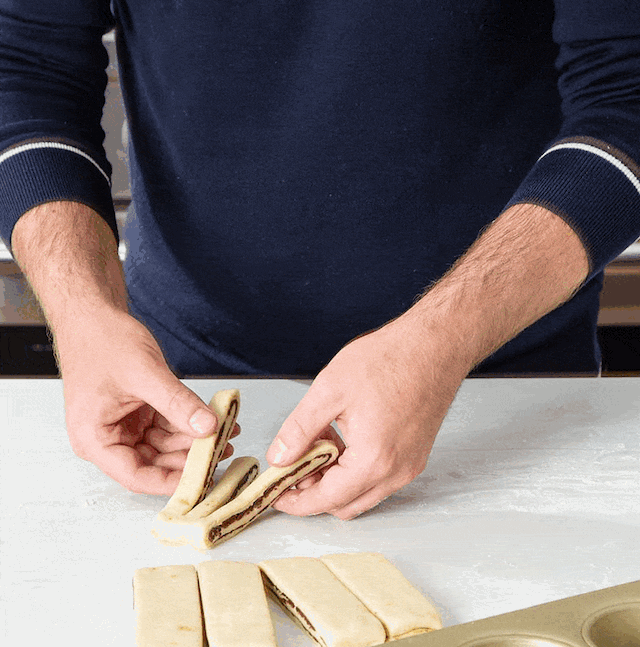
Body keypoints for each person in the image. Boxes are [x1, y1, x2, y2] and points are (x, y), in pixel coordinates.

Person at [1, 2, 639, 521]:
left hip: (501, 392)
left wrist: (444, 339)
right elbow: (24, 69)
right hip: (172, 399)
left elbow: (628, 97)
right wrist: (83, 313)